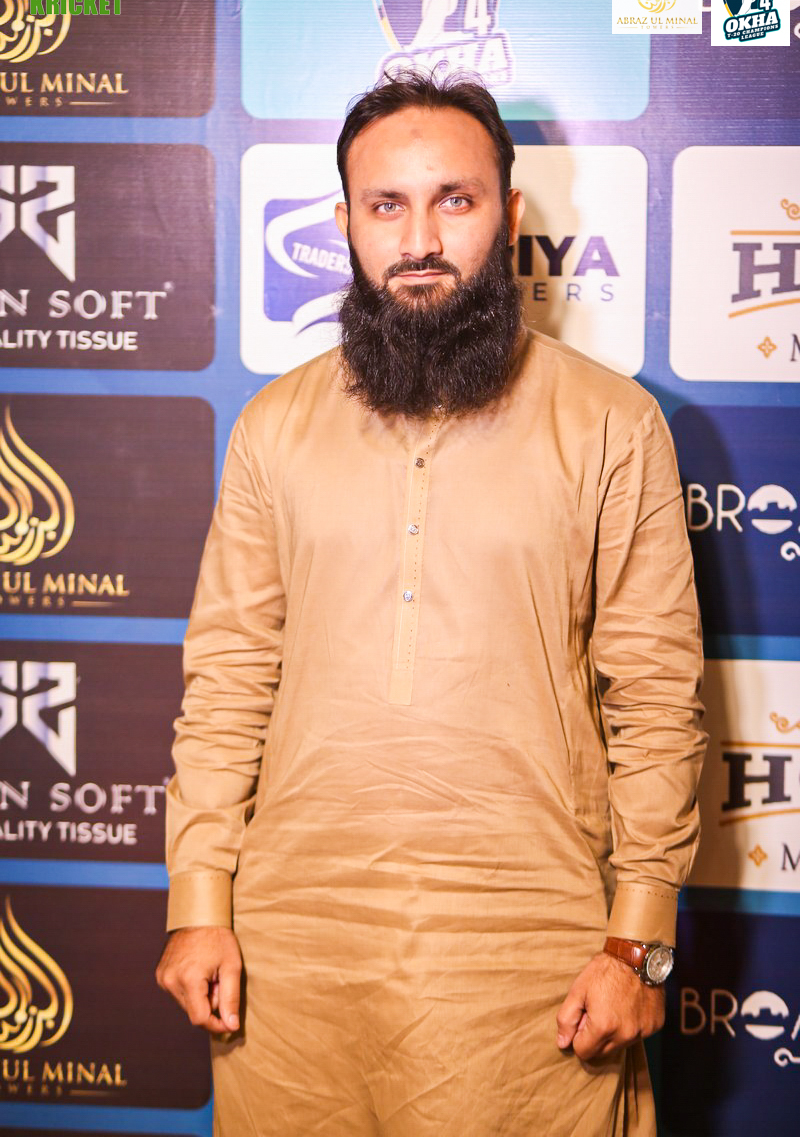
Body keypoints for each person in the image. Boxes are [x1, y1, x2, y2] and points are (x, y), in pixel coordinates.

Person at [156, 70, 707, 1136]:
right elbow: (227, 685)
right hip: (291, 954)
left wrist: (636, 943)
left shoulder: (612, 424)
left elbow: (654, 701)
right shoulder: (273, 427)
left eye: (454, 200)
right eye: (386, 205)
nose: (420, 240)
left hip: (533, 960)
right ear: (344, 224)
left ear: (509, 214)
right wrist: (198, 905)